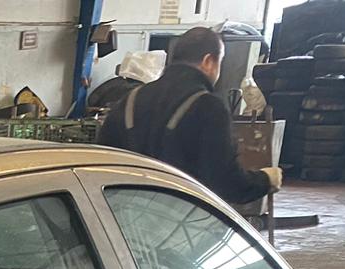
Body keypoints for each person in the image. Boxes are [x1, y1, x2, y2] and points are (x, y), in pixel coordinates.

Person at [98, 26, 281, 205]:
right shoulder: (209, 108)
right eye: (219, 62)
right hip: (178, 218)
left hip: (121, 214)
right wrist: (265, 179)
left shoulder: (129, 100)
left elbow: (101, 163)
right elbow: (228, 184)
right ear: (208, 61)